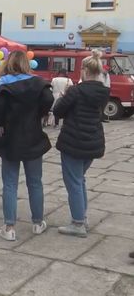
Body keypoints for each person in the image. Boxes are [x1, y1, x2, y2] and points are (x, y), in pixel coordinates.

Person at [0, 50, 54, 241]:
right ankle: (37, 222)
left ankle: (9, 226)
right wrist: (40, 114)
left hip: (11, 138)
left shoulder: (3, 85)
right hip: (33, 136)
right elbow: (49, 100)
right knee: (35, 182)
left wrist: (1, 123)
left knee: (9, 183)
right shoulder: (39, 83)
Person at [53, 50, 109, 237]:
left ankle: (78, 223)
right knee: (80, 180)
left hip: (74, 140)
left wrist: (62, 97)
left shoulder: (76, 91)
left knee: (74, 182)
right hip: (93, 140)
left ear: (84, 70)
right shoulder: (103, 92)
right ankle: (82, 218)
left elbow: (58, 111)